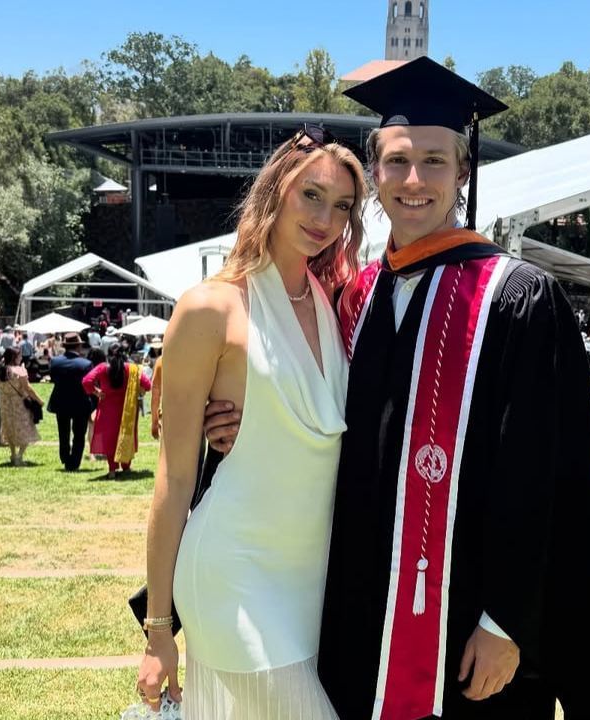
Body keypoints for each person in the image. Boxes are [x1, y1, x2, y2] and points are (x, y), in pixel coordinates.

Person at [323, 58, 590, 718]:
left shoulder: (516, 298)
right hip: (356, 613)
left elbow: (543, 477)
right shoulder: (356, 297)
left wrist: (507, 621)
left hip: (469, 626)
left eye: (435, 161)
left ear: (464, 172)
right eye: (397, 161)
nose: (414, 180)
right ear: (373, 172)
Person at [136, 127, 364, 718]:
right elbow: (175, 478)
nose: (326, 219)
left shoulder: (333, 300)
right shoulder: (211, 306)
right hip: (234, 573)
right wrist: (160, 631)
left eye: (342, 206)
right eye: (311, 195)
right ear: (275, 191)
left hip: (310, 580)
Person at [82, 342, 151, 479]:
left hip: (107, 411)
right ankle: (126, 467)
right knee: (126, 436)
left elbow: (86, 381)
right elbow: (147, 385)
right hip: (127, 411)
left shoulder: (102, 368)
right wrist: (139, 390)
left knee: (110, 440)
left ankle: (112, 470)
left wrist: (96, 392)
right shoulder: (132, 369)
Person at [0, 347, 43, 466]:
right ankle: (19, 456)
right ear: (14, 357)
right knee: (25, 427)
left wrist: (1, 388)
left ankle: (13, 454)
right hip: (19, 402)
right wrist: (39, 400)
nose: (21, 358)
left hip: (4, 401)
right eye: (19, 356)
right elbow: (28, 388)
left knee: (9, 426)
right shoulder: (20, 371)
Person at [47, 332, 94, 471]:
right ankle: (74, 462)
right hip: (80, 402)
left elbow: (53, 378)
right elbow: (89, 384)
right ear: (78, 346)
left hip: (61, 401)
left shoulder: (55, 362)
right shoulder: (86, 364)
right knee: (79, 434)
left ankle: (65, 456)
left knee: (63, 432)